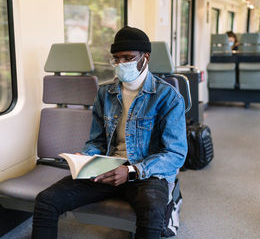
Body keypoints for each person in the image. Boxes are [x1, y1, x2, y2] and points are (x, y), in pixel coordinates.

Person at [32, 26, 188, 239]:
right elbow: (97, 140)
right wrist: (87, 157)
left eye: (128, 58)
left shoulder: (167, 97)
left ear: (146, 57)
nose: (122, 64)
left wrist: (132, 171)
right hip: (107, 167)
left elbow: (175, 154)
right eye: (117, 59)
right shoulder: (105, 93)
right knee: (46, 200)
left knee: (152, 213)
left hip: (146, 173)